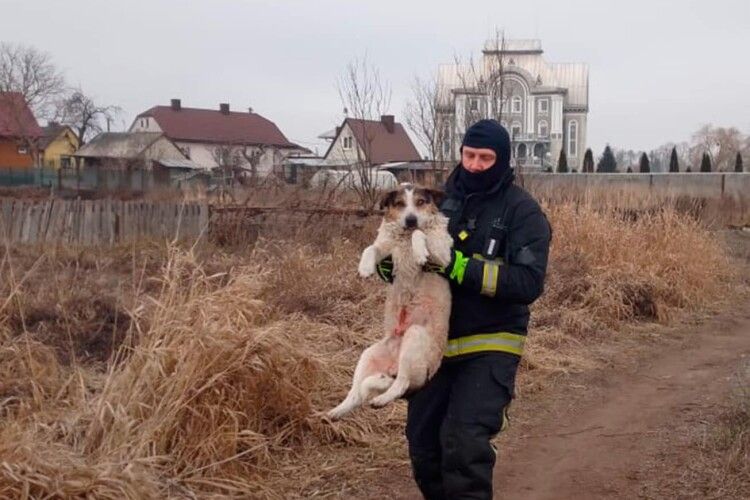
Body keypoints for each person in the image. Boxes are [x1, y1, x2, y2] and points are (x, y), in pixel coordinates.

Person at [377, 119, 551, 499]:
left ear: (502, 160)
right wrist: (388, 266)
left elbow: (528, 283)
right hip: (432, 344)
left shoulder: (522, 211)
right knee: (425, 449)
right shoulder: (435, 201)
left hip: (491, 343)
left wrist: (460, 268)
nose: (473, 165)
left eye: (485, 158)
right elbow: (400, 248)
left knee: (463, 445)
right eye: (469, 155)